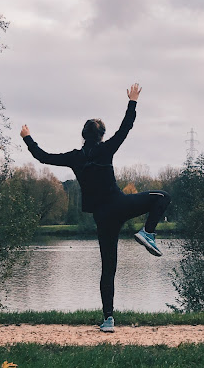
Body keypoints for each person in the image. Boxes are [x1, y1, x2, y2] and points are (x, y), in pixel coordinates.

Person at [20, 83, 171, 333]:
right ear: (101, 135)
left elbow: (43, 157)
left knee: (108, 268)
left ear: (84, 136)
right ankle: (148, 232)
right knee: (162, 196)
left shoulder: (74, 157)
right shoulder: (105, 149)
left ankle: (108, 320)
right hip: (121, 205)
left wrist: (27, 137)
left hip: (102, 217)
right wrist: (132, 101)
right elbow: (126, 128)